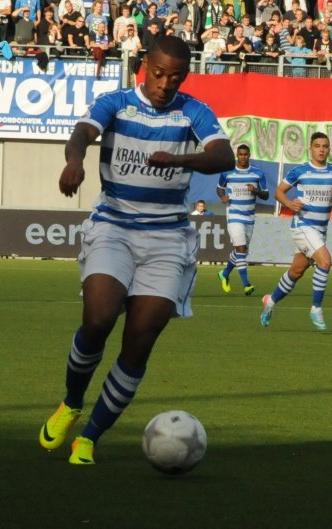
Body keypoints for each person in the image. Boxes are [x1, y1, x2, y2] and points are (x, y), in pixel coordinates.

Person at [39, 36, 234, 465]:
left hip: (168, 240)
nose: (165, 84)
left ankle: (89, 437)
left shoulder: (193, 111)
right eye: (159, 74)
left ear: (185, 76)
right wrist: (75, 161)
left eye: (175, 77)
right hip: (114, 227)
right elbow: (82, 134)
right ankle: (72, 402)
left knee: (138, 344)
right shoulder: (116, 103)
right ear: (145, 65)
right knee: (98, 318)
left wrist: (181, 160)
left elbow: (223, 156)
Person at [260, 132, 332, 331]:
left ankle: (270, 302)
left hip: (320, 230)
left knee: (296, 271)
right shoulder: (300, 171)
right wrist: (289, 203)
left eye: (325, 146)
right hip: (302, 226)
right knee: (326, 262)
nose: (321, 149)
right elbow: (278, 191)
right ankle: (316, 308)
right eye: (317, 146)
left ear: (329, 149)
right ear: (311, 149)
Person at [216, 144, 269, 295]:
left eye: (245, 154)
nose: (243, 157)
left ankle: (225, 274)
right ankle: (246, 284)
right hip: (234, 214)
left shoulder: (258, 174)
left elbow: (266, 195)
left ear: (249, 155)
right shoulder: (228, 172)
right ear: (237, 155)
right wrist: (223, 196)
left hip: (250, 216)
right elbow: (219, 188)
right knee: (240, 248)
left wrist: (256, 190)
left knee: (242, 251)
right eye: (240, 154)